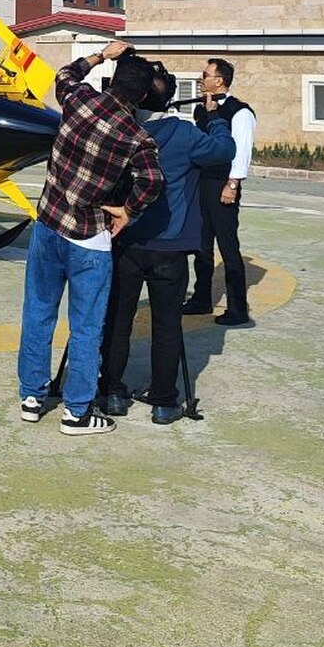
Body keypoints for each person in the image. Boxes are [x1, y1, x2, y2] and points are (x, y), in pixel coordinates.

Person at [17, 40, 165, 436]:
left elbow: (63, 74)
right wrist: (129, 211)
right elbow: (152, 180)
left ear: (113, 79)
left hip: (48, 226)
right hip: (89, 237)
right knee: (85, 327)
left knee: (38, 313)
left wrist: (102, 54)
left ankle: (32, 396)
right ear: (142, 96)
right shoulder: (137, 137)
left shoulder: (79, 99)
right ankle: (76, 412)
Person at [99, 69, 235, 424]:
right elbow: (224, 150)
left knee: (117, 321)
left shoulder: (121, 129)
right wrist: (215, 117)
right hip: (170, 247)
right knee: (167, 324)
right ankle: (163, 401)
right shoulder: (184, 133)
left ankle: (112, 391)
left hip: (125, 240)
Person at [183, 56, 257, 325]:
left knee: (228, 247)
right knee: (201, 246)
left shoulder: (241, 112)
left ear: (219, 80)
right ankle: (202, 299)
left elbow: (241, 150)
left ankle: (238, 309)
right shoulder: (202, 109)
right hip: (201, 183)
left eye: (206, 74)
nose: (202, 78)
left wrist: (233, 184)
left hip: (224, 184)